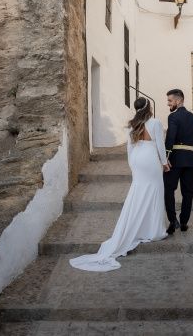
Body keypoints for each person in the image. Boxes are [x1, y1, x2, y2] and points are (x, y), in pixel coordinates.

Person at [69, 97, 169, 272]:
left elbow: (129, 148)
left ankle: (136, 227)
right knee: (154, 192)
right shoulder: (155, 123)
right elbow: (160, 145)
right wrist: (165, 162)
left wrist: (132, 165)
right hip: (150, 160)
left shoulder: (132, 125)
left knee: (138, 192)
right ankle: (153, 230)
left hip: (137, 160)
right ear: (149, 107)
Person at [163, 88, 193, 234]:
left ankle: (173, 221)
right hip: (190, 161)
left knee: (168, 189)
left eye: (170, 100)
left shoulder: (173, 117)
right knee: (188, 192)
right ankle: (184, 222)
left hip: (175, 160)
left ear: (179, 101)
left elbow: (170, 138)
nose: (168, 104)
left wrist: (165, 158)